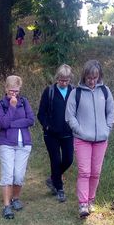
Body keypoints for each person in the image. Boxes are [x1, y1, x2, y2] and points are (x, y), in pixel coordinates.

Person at [65, 59, 114, 218]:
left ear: (99, 76)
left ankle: (91, 200)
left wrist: (107, 129)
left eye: (95, 78)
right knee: (85, 172)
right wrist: (79, 130)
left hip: (101, 139)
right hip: (82, 140)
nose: (92, 81)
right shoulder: (76, 93)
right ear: (84, 76)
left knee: (96, 172)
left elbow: (110, 113)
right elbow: (69, 116)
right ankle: (83, 204)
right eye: (89, 78)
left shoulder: (105, 91)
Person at [0, 75, 35, 219]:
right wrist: (12, 107)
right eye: (11, 91)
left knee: (19, 175)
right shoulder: (0, 104)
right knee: (8, 174)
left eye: (16, 91)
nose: (14, 94)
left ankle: (16, 198)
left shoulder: (24, 102)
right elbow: (3, 124)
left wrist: (12, 123)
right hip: (6, 143)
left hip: (24, 143)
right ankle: (6, 206)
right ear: (6, 89)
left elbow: (31, 120)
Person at [37, 64, 75, 203]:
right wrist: (47, 126)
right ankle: (59, 189)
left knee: (68, 159)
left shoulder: (74, 91)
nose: (63, 83)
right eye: (61, 80)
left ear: (70, 79)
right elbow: (41, 113)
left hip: (68, 133)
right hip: (51, 135)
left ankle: (52, 178)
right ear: (56, 78)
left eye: (66, 80)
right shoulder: (49, 91)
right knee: (55, 160)